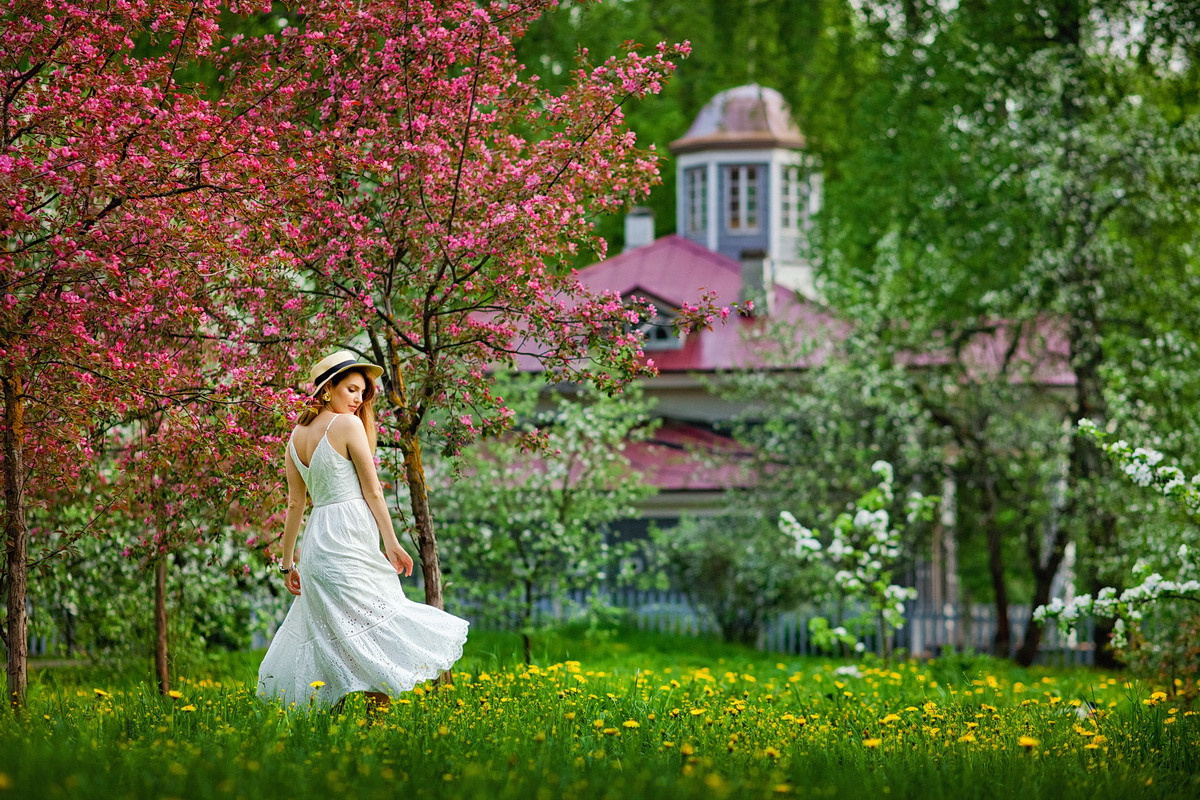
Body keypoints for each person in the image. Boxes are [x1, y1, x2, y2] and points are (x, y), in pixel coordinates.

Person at [257, 350, 468, 711]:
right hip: (349, 534)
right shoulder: (346, 425)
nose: (358, 399)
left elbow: (295, 505)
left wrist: (287, 563)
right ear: (327, 389)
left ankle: (335, 719)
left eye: (362, 392)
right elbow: (372, 491)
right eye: (351, 389)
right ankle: (375, 721)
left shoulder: (295, 436)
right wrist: (392, 542)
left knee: (334, 632)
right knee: (375, 623)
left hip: (318, 543)